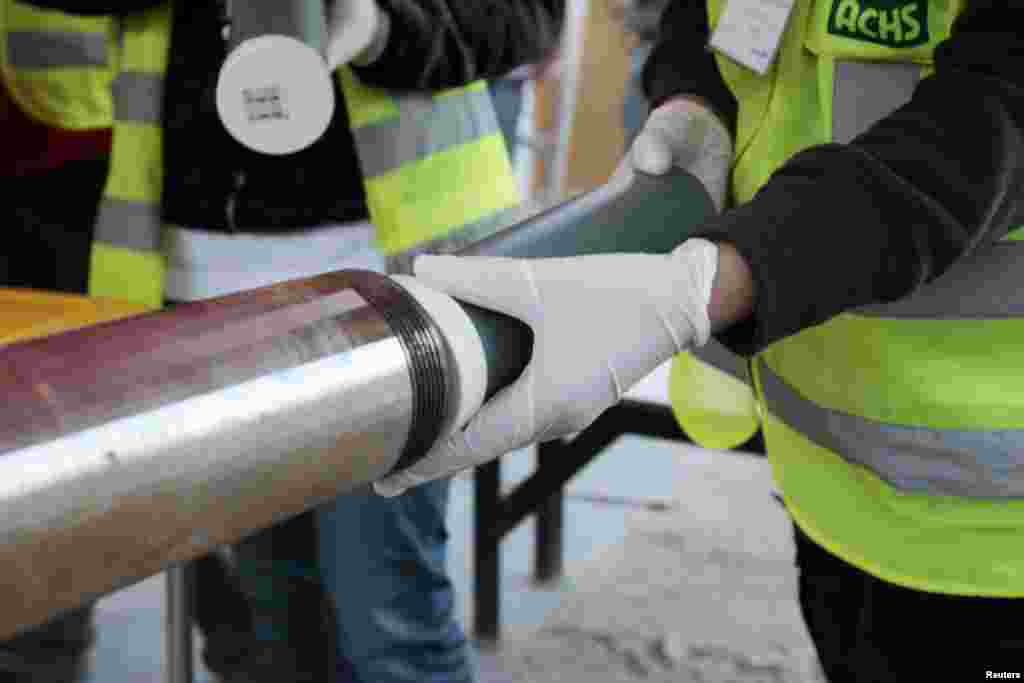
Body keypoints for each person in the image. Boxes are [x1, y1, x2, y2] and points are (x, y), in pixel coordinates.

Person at [375, 1, 1024, 680]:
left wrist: (720, 278)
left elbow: (997, 113)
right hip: (839, 493)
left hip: (998, 542)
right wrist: (695, 94)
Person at [0, 1, 562, 682]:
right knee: (270, 629)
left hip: (387, 291)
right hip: (199, 289)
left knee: (384, 621)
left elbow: (526, 17)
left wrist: (381, 27)